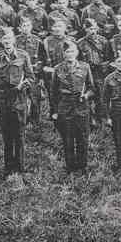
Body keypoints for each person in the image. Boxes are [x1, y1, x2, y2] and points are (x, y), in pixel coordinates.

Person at [0, 29, 34, 174]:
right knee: (7, 135)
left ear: (14, 41)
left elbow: (30, 78)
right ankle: (8, 168)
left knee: (19, 134)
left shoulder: (23, 55)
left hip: (19, 98)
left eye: (9, 39)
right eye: (4, 40)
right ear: (2, 42)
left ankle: (20, 167)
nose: (7, 42)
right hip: (3, 99)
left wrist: (23, 85)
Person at [50, 41, 95, 172]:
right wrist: (55, 111)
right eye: (67, 52)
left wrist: (86, 95)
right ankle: (70, 166)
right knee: (67, 138)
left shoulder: (85, 67)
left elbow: (92, 88)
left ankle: (82, 166)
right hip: (65, 106)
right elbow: (53, 93)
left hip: (81, 106)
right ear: (63, 54)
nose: (70, 54)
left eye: (72, 51)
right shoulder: (58, 69)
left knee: (83, 137)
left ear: (77, 53)